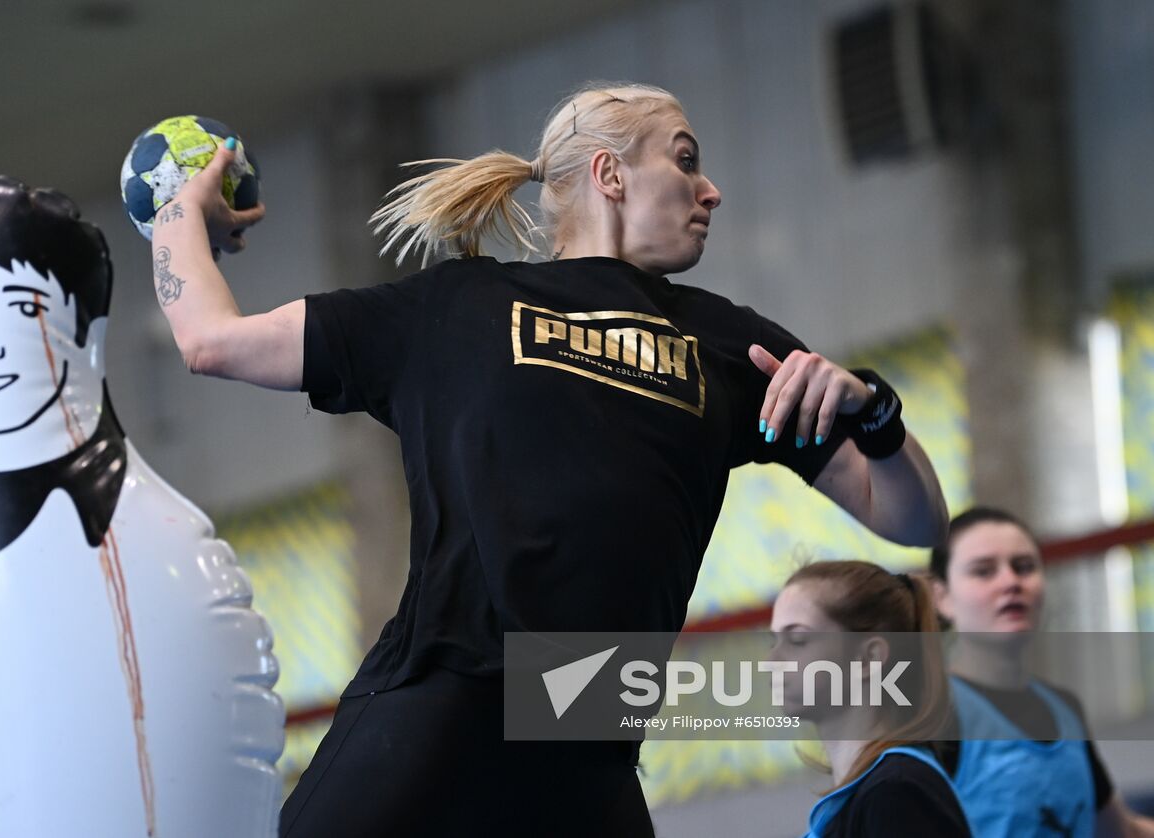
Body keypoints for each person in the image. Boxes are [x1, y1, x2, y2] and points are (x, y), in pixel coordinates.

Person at [148, 82, 950, 836]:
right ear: (609, 174)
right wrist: (180, 214)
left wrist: (875, 413)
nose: (711, 192)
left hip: (588, 720)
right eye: (684, 158)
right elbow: (211, 341)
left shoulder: (733, 348)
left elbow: (914, 519)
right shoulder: (454, 306)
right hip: (448, 694)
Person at [931, 507, 1154, 838]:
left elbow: (1120, 831)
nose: (1010, 582)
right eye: (984, 571)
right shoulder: (929, 716)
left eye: (1024, 567)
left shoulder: (1064, 709)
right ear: (943, 596)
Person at [771, 560, 972, 838]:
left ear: (869, 659)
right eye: (774, 640)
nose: (772, 661)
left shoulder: (896, 794)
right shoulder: (870, 795)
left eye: (797, 639)